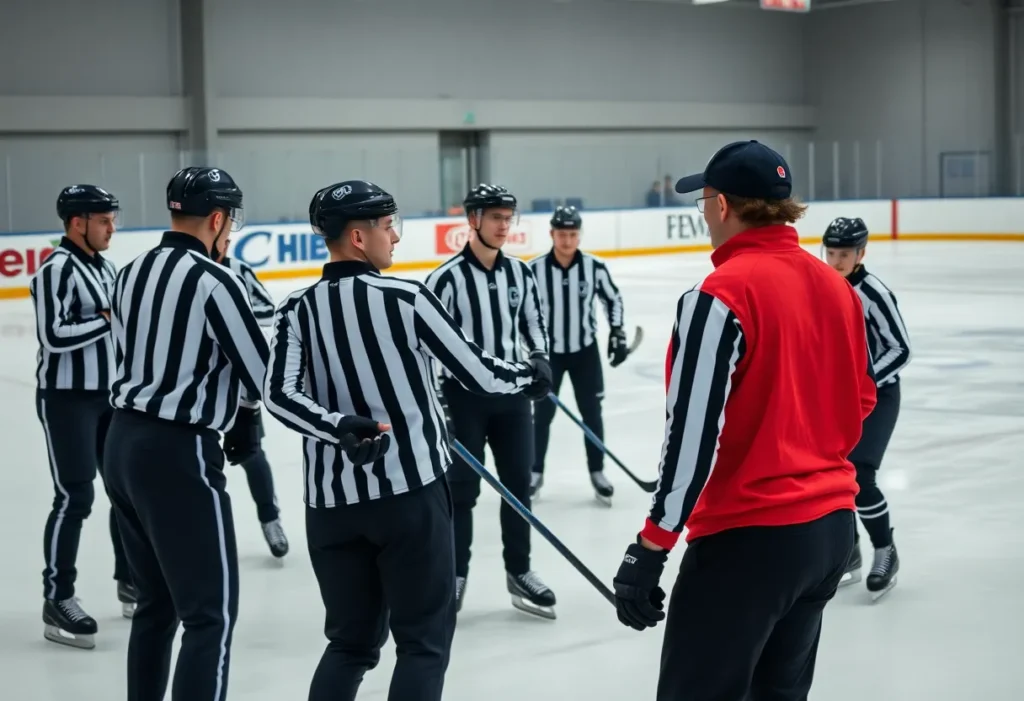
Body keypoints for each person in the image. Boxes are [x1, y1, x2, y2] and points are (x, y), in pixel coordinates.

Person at [263, 180, 551, 701]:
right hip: (409, 499)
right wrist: (529, 377)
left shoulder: (295, 308)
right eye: (387, 226)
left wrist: (336, 425)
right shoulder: (406, 297)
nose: (394, 238)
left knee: (349, 644)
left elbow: (279, 397)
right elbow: (479, 374)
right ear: (357, 235)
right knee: (422, 644)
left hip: (330, 507)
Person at [611, 140, 877, 701]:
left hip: (748, 543)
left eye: (704, 199)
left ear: (724, 205)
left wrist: (652, 545)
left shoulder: (718, 295)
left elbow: (692, 436)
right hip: (829, 531)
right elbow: (862, 401)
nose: (702, 212)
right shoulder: (838, 289)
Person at [103, 166, 269, 701]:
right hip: (179, 455)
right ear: (218, 219)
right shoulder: (215, 281)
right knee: (209, 616)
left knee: (156, 606)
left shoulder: (129, 273)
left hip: (122, 443)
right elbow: (262, 375)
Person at [424, 183, 556, 619]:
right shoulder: (443, 280)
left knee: (519, 486)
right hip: (464, 400)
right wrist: (438, 404)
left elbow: (534, 323)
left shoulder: (521, 273)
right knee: (461, 492)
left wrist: (539, 359)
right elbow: (426, 347)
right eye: (495, 217)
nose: (504, 226)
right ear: (473, 220)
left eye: (508, 218)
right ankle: (454, 574)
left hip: (513, 397)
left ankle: (519, 570)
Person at [30, 184, 135, 649]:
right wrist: (108, 318)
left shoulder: (105, 266)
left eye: (113, 219)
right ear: (78, 222)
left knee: (124, 493)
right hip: (67, 399)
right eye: (104, 220)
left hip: (107, 397)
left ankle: (129, 579)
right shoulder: (55, 270)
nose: (112, 228)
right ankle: (58, 597)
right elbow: (53, 336)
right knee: (74, 498)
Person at [823, 216, 910, 599]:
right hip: (836, 398)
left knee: (860, 473)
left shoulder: (874, 293)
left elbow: (900, 348)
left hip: (878, 397)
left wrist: (866, 381)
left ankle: (885, 550)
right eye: (831, 252)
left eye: (845, 254)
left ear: (861, 253)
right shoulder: (823, 287)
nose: (837, 260)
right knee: (833, 475)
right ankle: (849, 555)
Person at [527, 205, 627, 505]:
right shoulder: (534, 269)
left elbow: (613, 299)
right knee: (541, 416)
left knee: (592, 415)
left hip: (585, 352)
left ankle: (597, 472)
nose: (567, 240)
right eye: (561, 234)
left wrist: (618, 332)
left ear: (579, 235)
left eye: (572, 234)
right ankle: (535, 472)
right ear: (551, 234)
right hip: (548, 356)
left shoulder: (594, 267)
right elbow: (520, 311)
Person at [213, 240, 289, 558]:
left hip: (239, 388)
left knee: (252, 455)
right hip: (197, 391)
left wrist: (232, 314)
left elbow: (267, 308)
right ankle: (210, 534)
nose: (228, 241)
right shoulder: (186, 271)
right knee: (200, 464)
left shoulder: (238, 270)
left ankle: (270, 520)